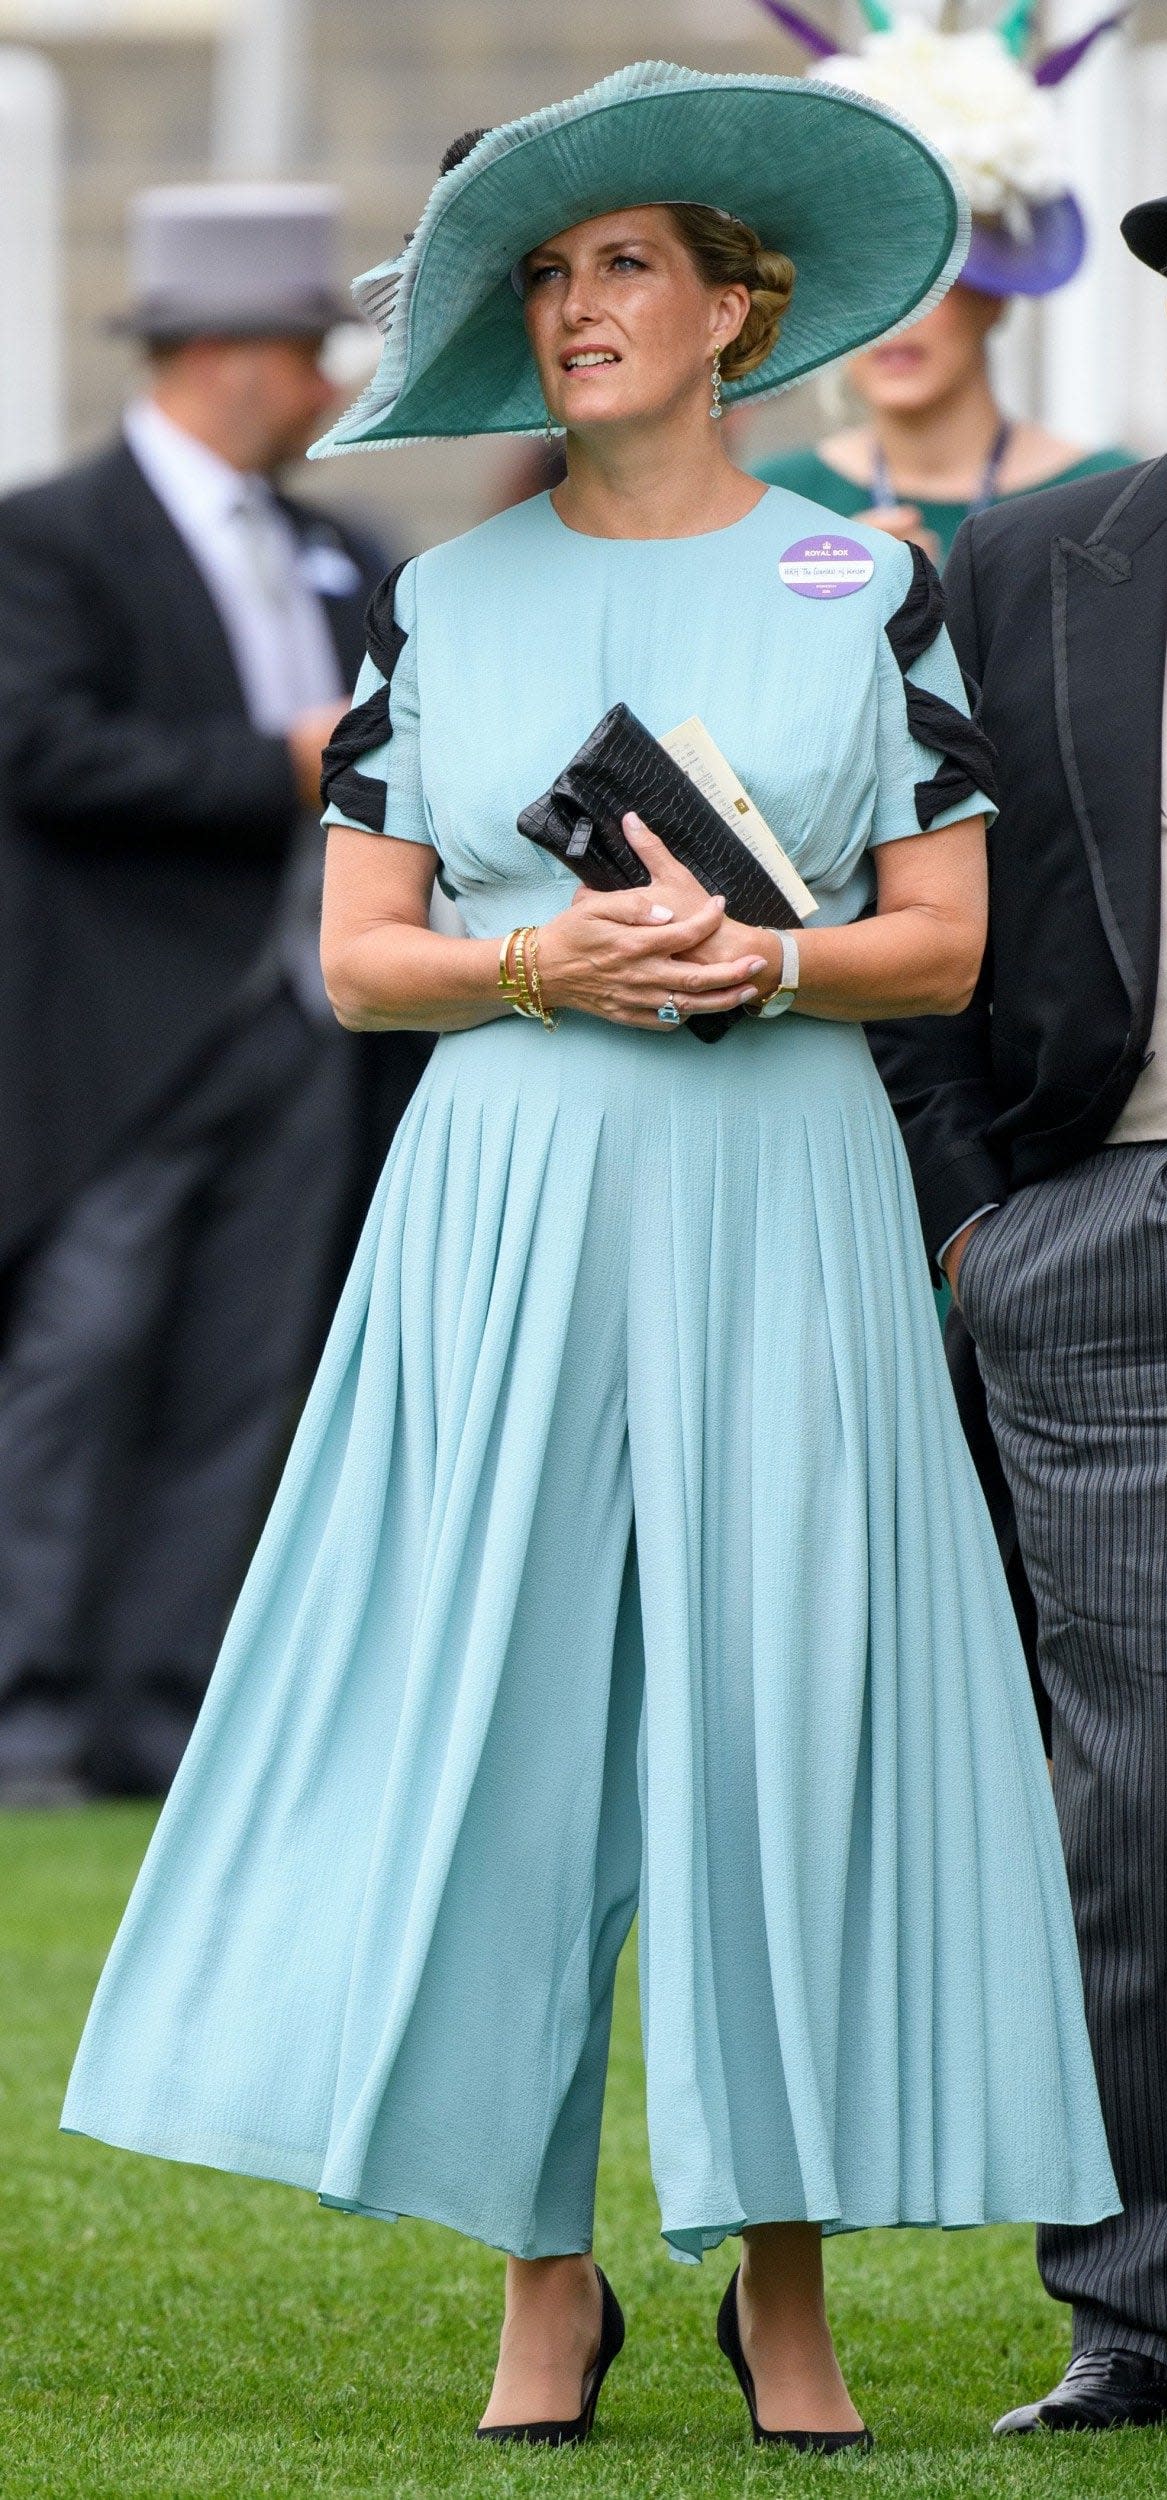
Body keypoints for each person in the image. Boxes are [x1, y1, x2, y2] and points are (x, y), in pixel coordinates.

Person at [61, 61, 1117, 2453]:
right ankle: (544, 2286)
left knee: (783, 1717)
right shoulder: (448, 592)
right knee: (506, 1726)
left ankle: (785, 2285)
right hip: (509, 1196)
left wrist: (765, 964)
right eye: (540, 278)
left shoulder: (865, 577)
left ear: (737, 304)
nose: (572, 310)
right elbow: (361, 958)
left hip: (782, 1196)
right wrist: (543, 968)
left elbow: (941, 942)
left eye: (616, 264)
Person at [868, 50, 1167, 2439]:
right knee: (1146, 1790)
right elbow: (916, 918)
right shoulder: (1027, 561)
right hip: (1106, 1233)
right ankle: (1154, 2312)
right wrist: (980, 1220)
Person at [0, 183, 431, 1804]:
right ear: (231, 357)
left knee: (248, 1375)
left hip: (310, 1026)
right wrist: (279, 763)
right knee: (84, 1359)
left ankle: (169, 1705)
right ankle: (30, 1707)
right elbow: (43, 752)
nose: (329, 388)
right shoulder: (47, 540)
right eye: (311, 353)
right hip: (121, 1037)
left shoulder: (346, 555)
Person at [750, 2, 1130, 562]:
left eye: (931, 279)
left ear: (996, 296)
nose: (895, 315)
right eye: (866, 277)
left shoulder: (1114, 497)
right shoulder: (772, 501)